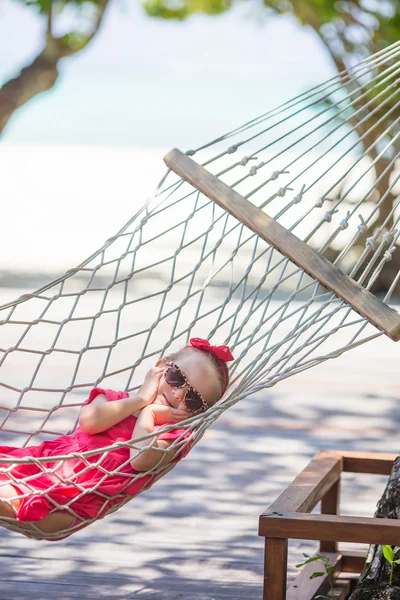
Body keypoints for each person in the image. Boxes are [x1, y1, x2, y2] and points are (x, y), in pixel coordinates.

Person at [0, 338, 233, 540]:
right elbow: (90, 422)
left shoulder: (173, 437)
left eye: (193, 399)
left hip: (68, 502)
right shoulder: (115, 400)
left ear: (199, 412)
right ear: (158, 368)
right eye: (176, 377)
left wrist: (149, 414)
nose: (179, 394)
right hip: (37, 467)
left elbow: (140, 459)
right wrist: (141, 400)